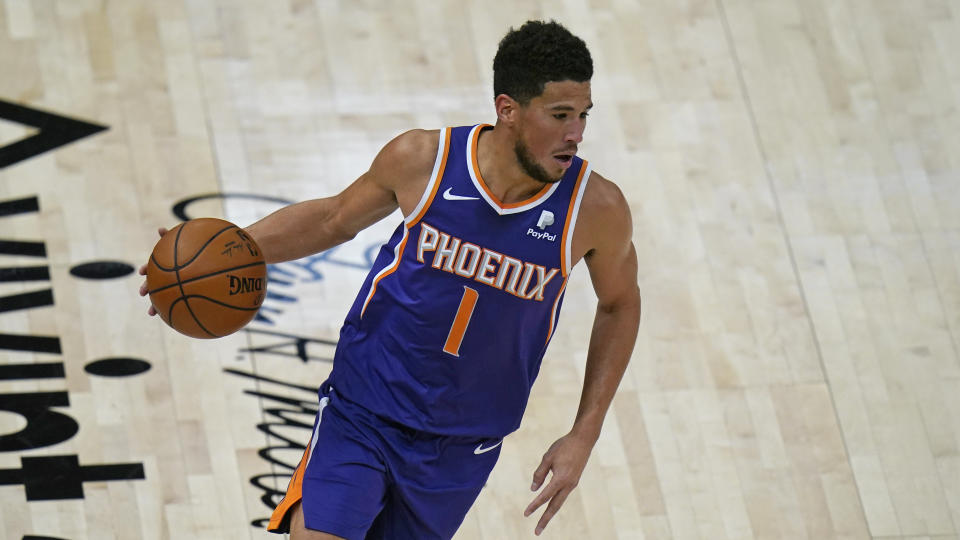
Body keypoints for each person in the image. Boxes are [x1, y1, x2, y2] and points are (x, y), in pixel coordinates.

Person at [142, 19, 639, 539]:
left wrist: (585, 433)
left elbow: (620, 304)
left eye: (582, 115)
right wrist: (223, 257)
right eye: (560, 115)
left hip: (461, 443)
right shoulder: (425, 159)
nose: (576, 134)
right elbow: (333, 218)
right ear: (507, 109)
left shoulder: (595, 209)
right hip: (364, 408)